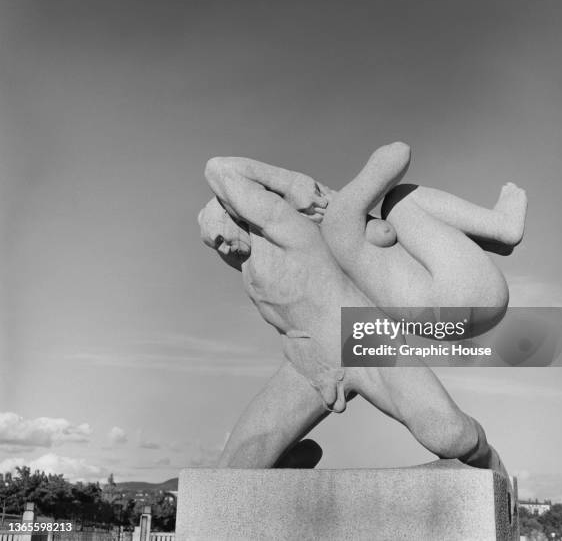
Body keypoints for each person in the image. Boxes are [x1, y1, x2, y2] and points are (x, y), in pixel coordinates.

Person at [197, 142, 526, 482]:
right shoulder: (252, 272)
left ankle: (490, 464)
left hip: (362, 338)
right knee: (234, 469)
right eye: (215, 246)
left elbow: (218, 168)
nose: (224, 248)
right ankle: (283, 463)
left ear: (239, 214)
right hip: (310, 366)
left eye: (222, 236)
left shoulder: (283, 227)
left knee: (449, 435)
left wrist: (291, 182)